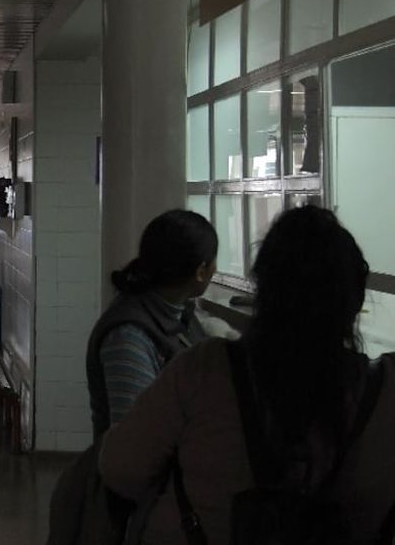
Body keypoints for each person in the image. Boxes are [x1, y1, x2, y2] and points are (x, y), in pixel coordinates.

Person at [99, 206, 395, 545]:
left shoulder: (204, 369)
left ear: (263, 291)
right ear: (355, 300)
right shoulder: (384, 392)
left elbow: (121, 469)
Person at [87, 209, 217, 435]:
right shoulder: (128, 336)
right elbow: (135, 438)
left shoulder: (180, 313)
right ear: (201, 271)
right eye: (214, 261)